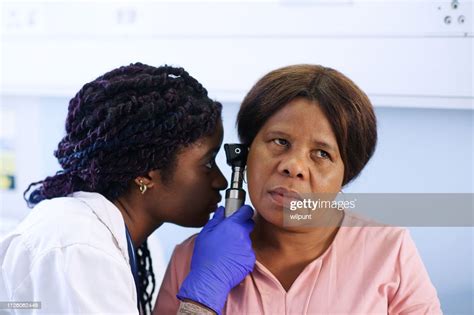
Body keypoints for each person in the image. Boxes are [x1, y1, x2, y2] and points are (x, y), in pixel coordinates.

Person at [154, 64, 443, 314]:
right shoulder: (195, 259)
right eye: (279, 141)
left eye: (321, 153)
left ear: (346, 173)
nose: (293, 166)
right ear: (247, 152)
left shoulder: (390, 251)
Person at [0, 63, 255, 315]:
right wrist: (205, 295)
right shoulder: (80, 249)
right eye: (208, 163)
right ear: (146, 174)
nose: (220, 181)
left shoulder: (127, 241)